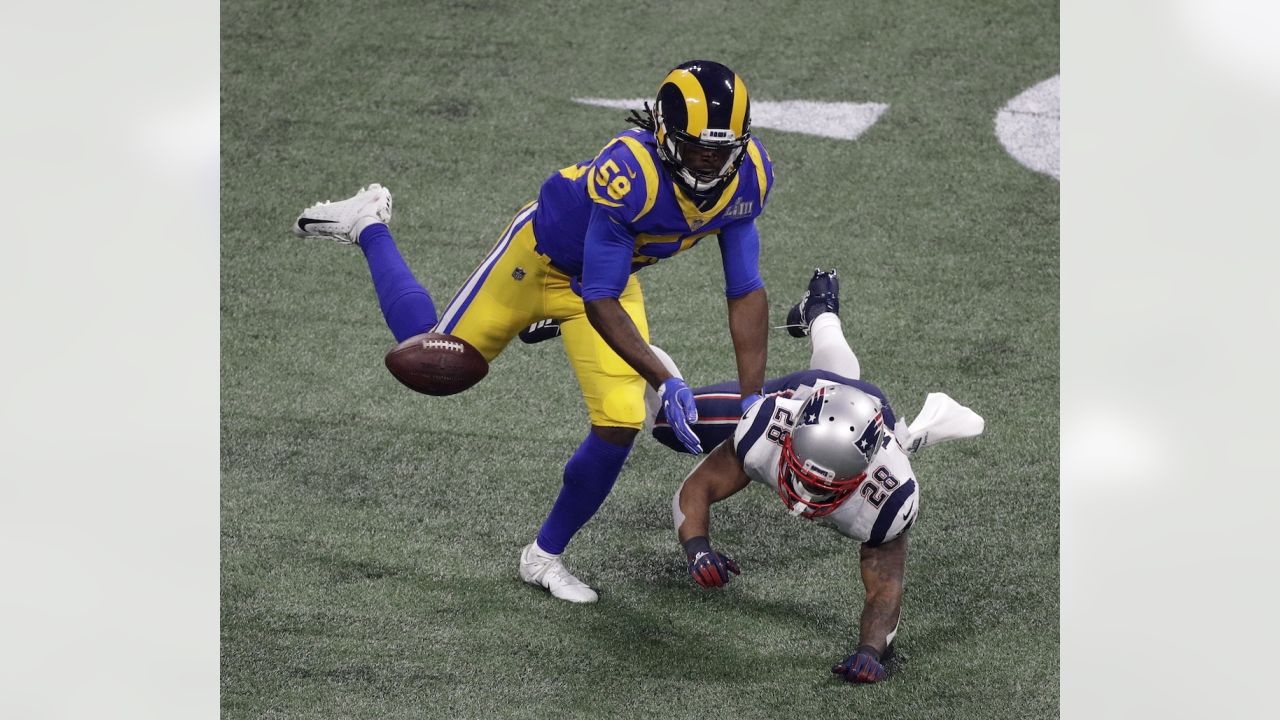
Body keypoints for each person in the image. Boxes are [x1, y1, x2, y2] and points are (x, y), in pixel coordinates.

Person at [290, 60, 775, 604]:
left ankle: (542, 557)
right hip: (539, 262)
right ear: (663, 135)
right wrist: (664, 379)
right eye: (696, 149)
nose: (710, 163)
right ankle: (367, 223)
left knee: (619, 422)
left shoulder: (749, 176)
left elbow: (745, 291)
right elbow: (600, 298)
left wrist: (752, 399)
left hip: (609, 282)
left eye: (723, 150)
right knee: (433, 364)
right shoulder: (630, 172)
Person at [659, 269, 985, 684]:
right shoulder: (771, 426)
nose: (808, 493)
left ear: (865, 472)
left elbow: (885, 588)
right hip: (809, 389)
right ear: (789, 438)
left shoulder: (890, 494)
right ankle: (819, 312)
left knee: (851, 383)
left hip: (869, 408)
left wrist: (871, 649)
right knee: (666, 426)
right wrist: (697, 546)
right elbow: (697, 486)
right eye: (806, 476)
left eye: (825, 485)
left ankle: (821, 311)